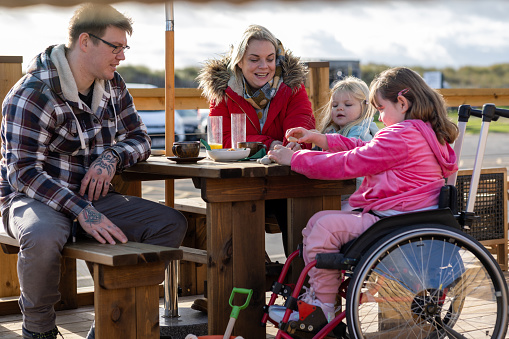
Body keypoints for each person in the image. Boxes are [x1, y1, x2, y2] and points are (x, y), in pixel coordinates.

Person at [0, 4, 187, 338]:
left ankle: (109, 325)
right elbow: (23, 173)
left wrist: (112, 157)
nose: (122, 57)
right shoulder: (32, 93)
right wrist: (80, 209)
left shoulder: (114, 86)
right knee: (42, 236)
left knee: (169, 224)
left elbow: (141, 138)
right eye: (115, 47)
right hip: (35, 198)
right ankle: (39, 330)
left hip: (95, 199)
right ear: (85, 42)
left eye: (124, 48)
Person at [267, 67, 459, 323]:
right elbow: (369, 149)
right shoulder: (423, 132)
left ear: (401, 103)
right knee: (316, 222)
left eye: (380, 108)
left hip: (393, 222)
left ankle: (323, 306)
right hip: (408, 218)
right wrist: (323, 140)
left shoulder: (402, 135)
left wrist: (295, 159)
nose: (379, 116)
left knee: (323, 226)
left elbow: (351, 162)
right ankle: (321, 296)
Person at [197, 24, 316, 257]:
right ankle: (251, 280)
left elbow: (302, 124)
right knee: (238, 206)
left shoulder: (292, 86)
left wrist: (295, 143)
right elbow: (223, 138)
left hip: (281, 183)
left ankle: (297, 283)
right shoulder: (223, 89)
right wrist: (270, 144)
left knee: (294, 206)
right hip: (239, 184)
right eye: (255, 59)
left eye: (270, 59)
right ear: (239, 61)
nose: (264, 67)